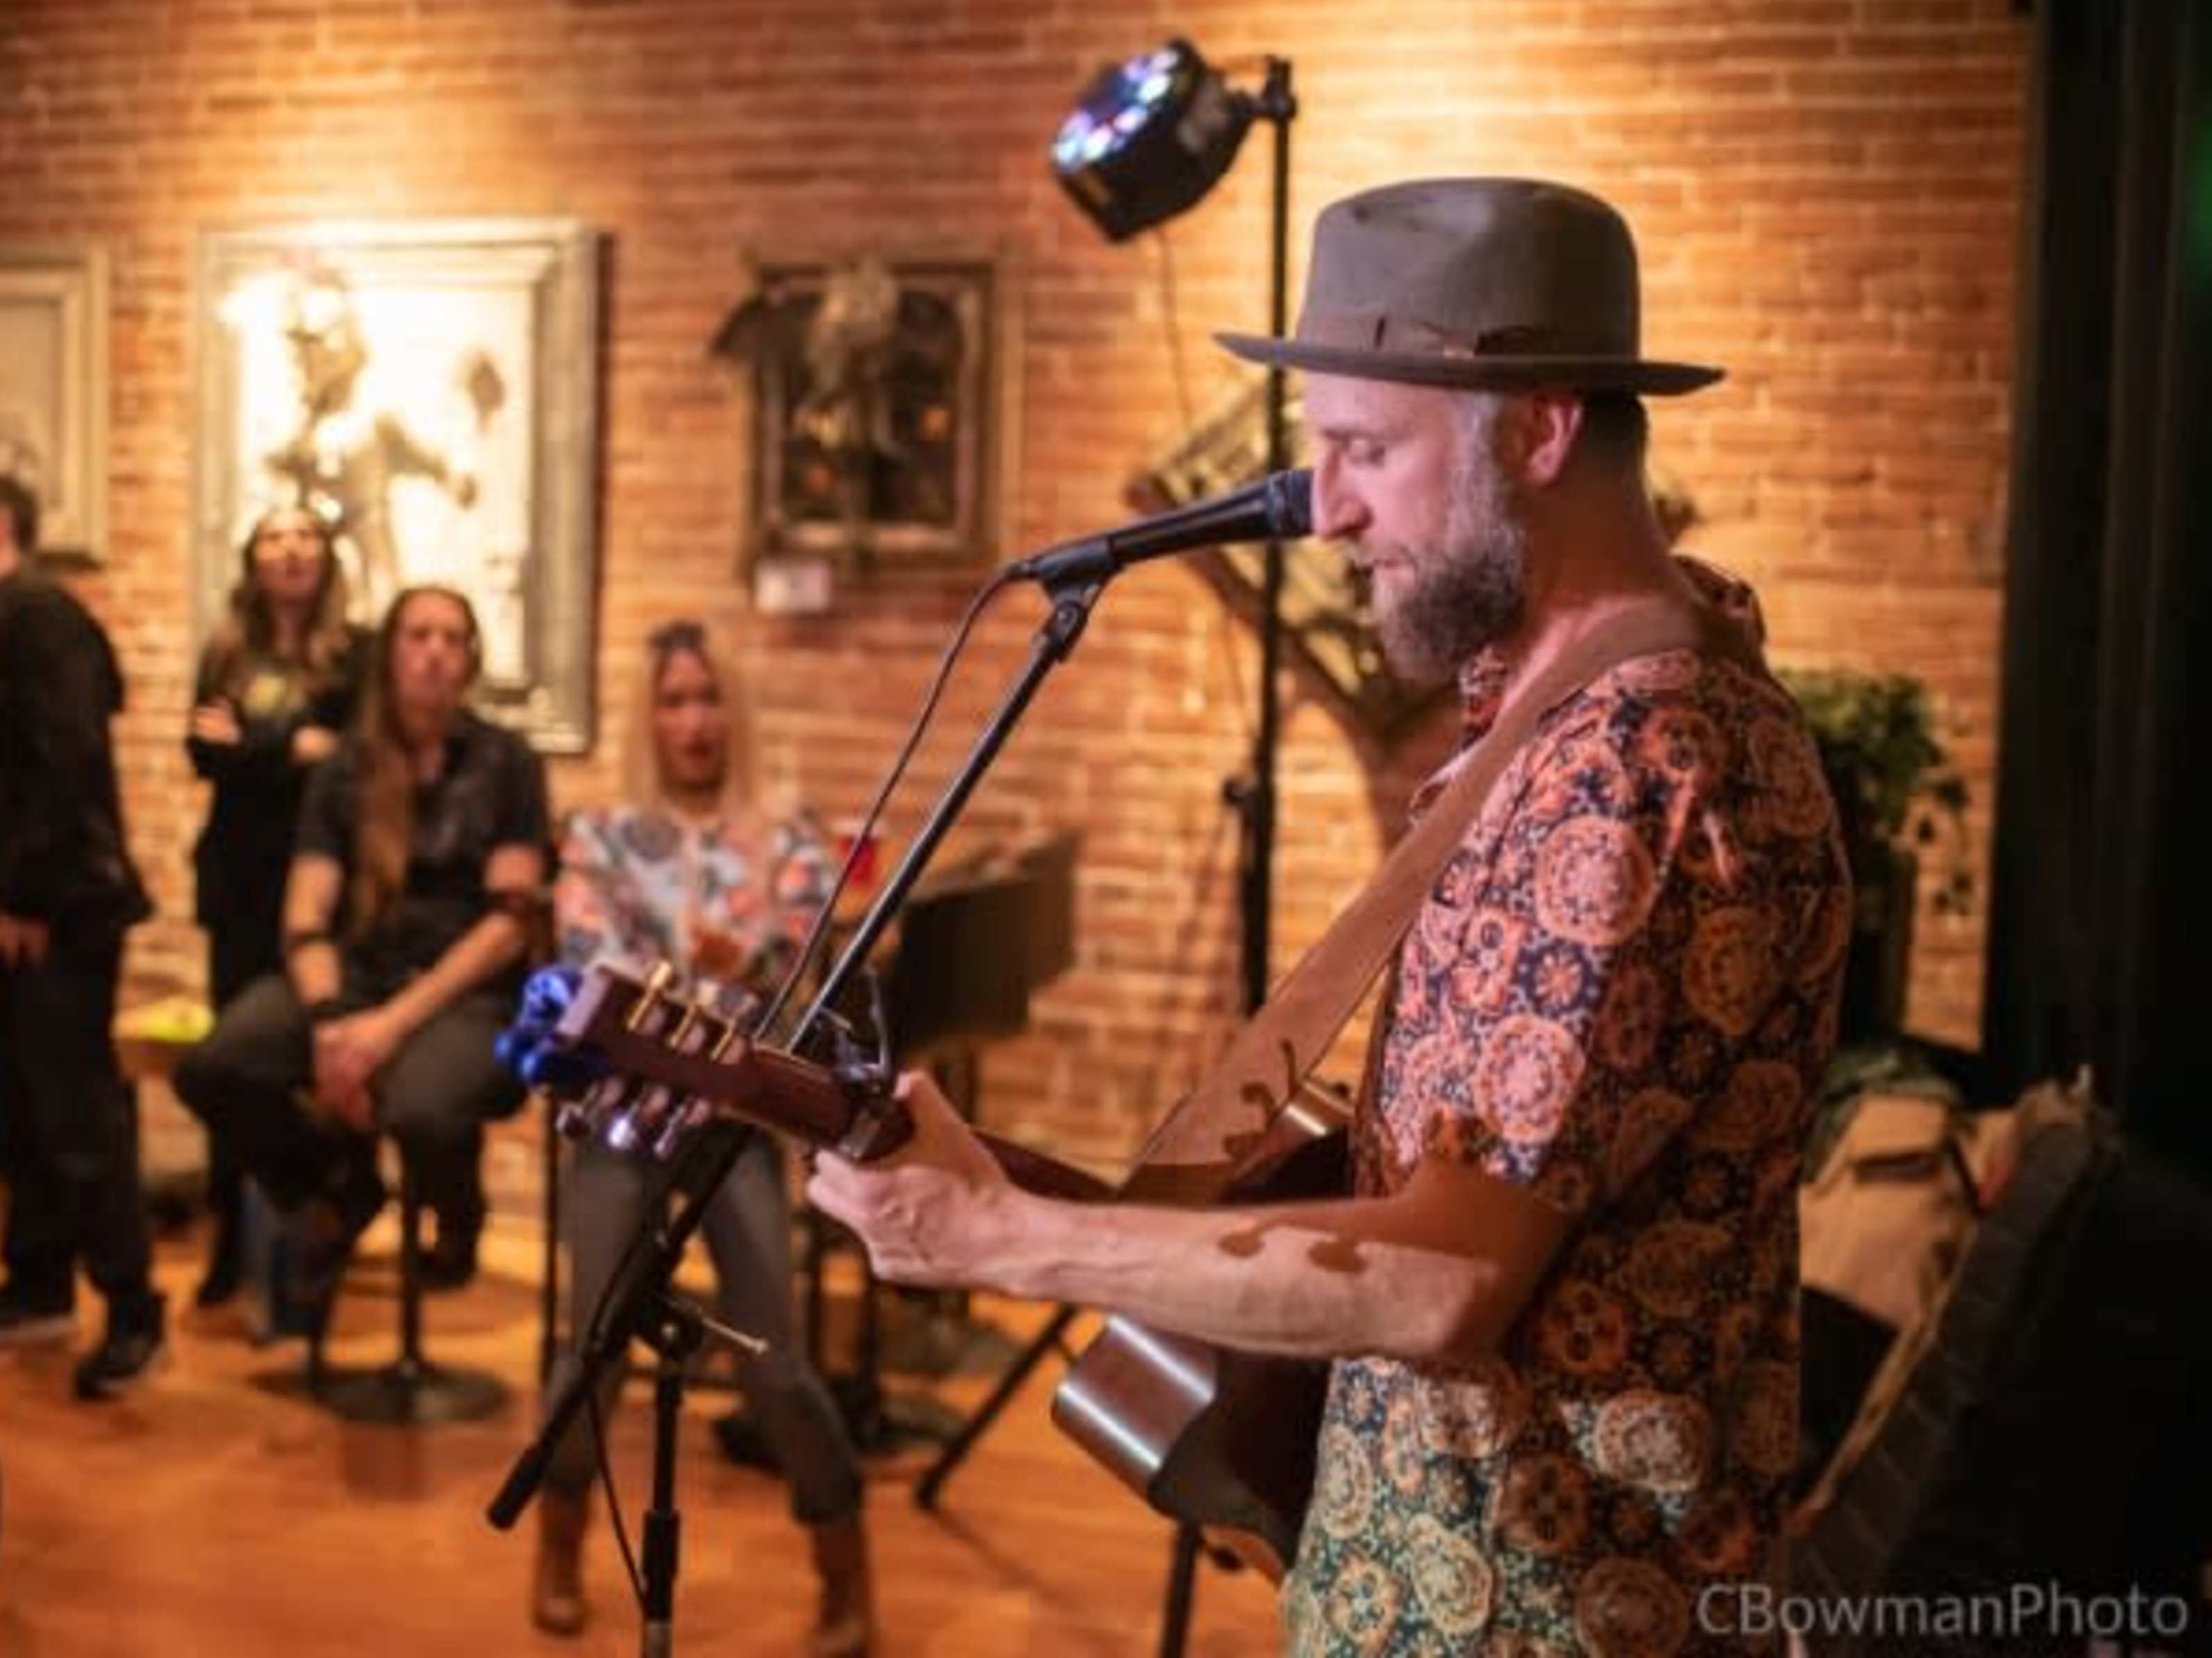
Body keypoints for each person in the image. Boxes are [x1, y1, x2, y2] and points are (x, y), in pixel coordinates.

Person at [806, 179, 1851, 1656]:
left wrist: (1006, 1237)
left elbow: (1439, 1278)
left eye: (1367, 449)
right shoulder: (1566, 718)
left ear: (1540, 432)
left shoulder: (1632, 763)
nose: (1328, 508)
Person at [529, 620, 873, 1656]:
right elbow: (592, 958)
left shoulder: (786, 836)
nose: (694, 720)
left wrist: (738, 962)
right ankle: (558, 1541)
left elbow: (809, 964)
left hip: (735, 1118)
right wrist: (717, 964)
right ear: (650, 717)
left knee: (774, 1359)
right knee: (593, 1349)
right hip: (625, 1113)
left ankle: (845, 1566)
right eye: (674, 701)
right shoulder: (599, 833)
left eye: (709, 698)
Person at [175, 584, 545, 1320]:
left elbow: (508, 926)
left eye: (452, 638)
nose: (434, 653)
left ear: (471, 661)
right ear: (390, 656)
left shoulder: (508, 763)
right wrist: (329, 1024)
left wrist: (384, 1030)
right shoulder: (344, 768)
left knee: (421, 1106)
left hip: (462, 990)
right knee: (218, 1065)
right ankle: (339, 1187)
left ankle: (456, 1208)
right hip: (358, 972)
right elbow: (306, 913)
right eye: (418, 635)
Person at [0, 472, 163, 1399]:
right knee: (22, 1104)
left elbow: (69, 760)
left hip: (59, 908)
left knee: (76, 1111)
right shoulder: (3, 620)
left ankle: (134, 1307)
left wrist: (24, 893)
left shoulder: (38, 615)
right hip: (15, 900)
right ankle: (38, 1280)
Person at [184, 504, 367, 1306]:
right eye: (273, 537)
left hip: (323, 888)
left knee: (321, 1052)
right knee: (229, 1057)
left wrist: (252, 745)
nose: (290, 549)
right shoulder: (228, 649)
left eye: (305, 536)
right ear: (252, 558)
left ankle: (333, 1211)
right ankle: (230, 1236)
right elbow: (202, 750)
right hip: (238, 882)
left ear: (326, 557)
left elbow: (353, 758)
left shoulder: (356, 655)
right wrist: (292, 744)